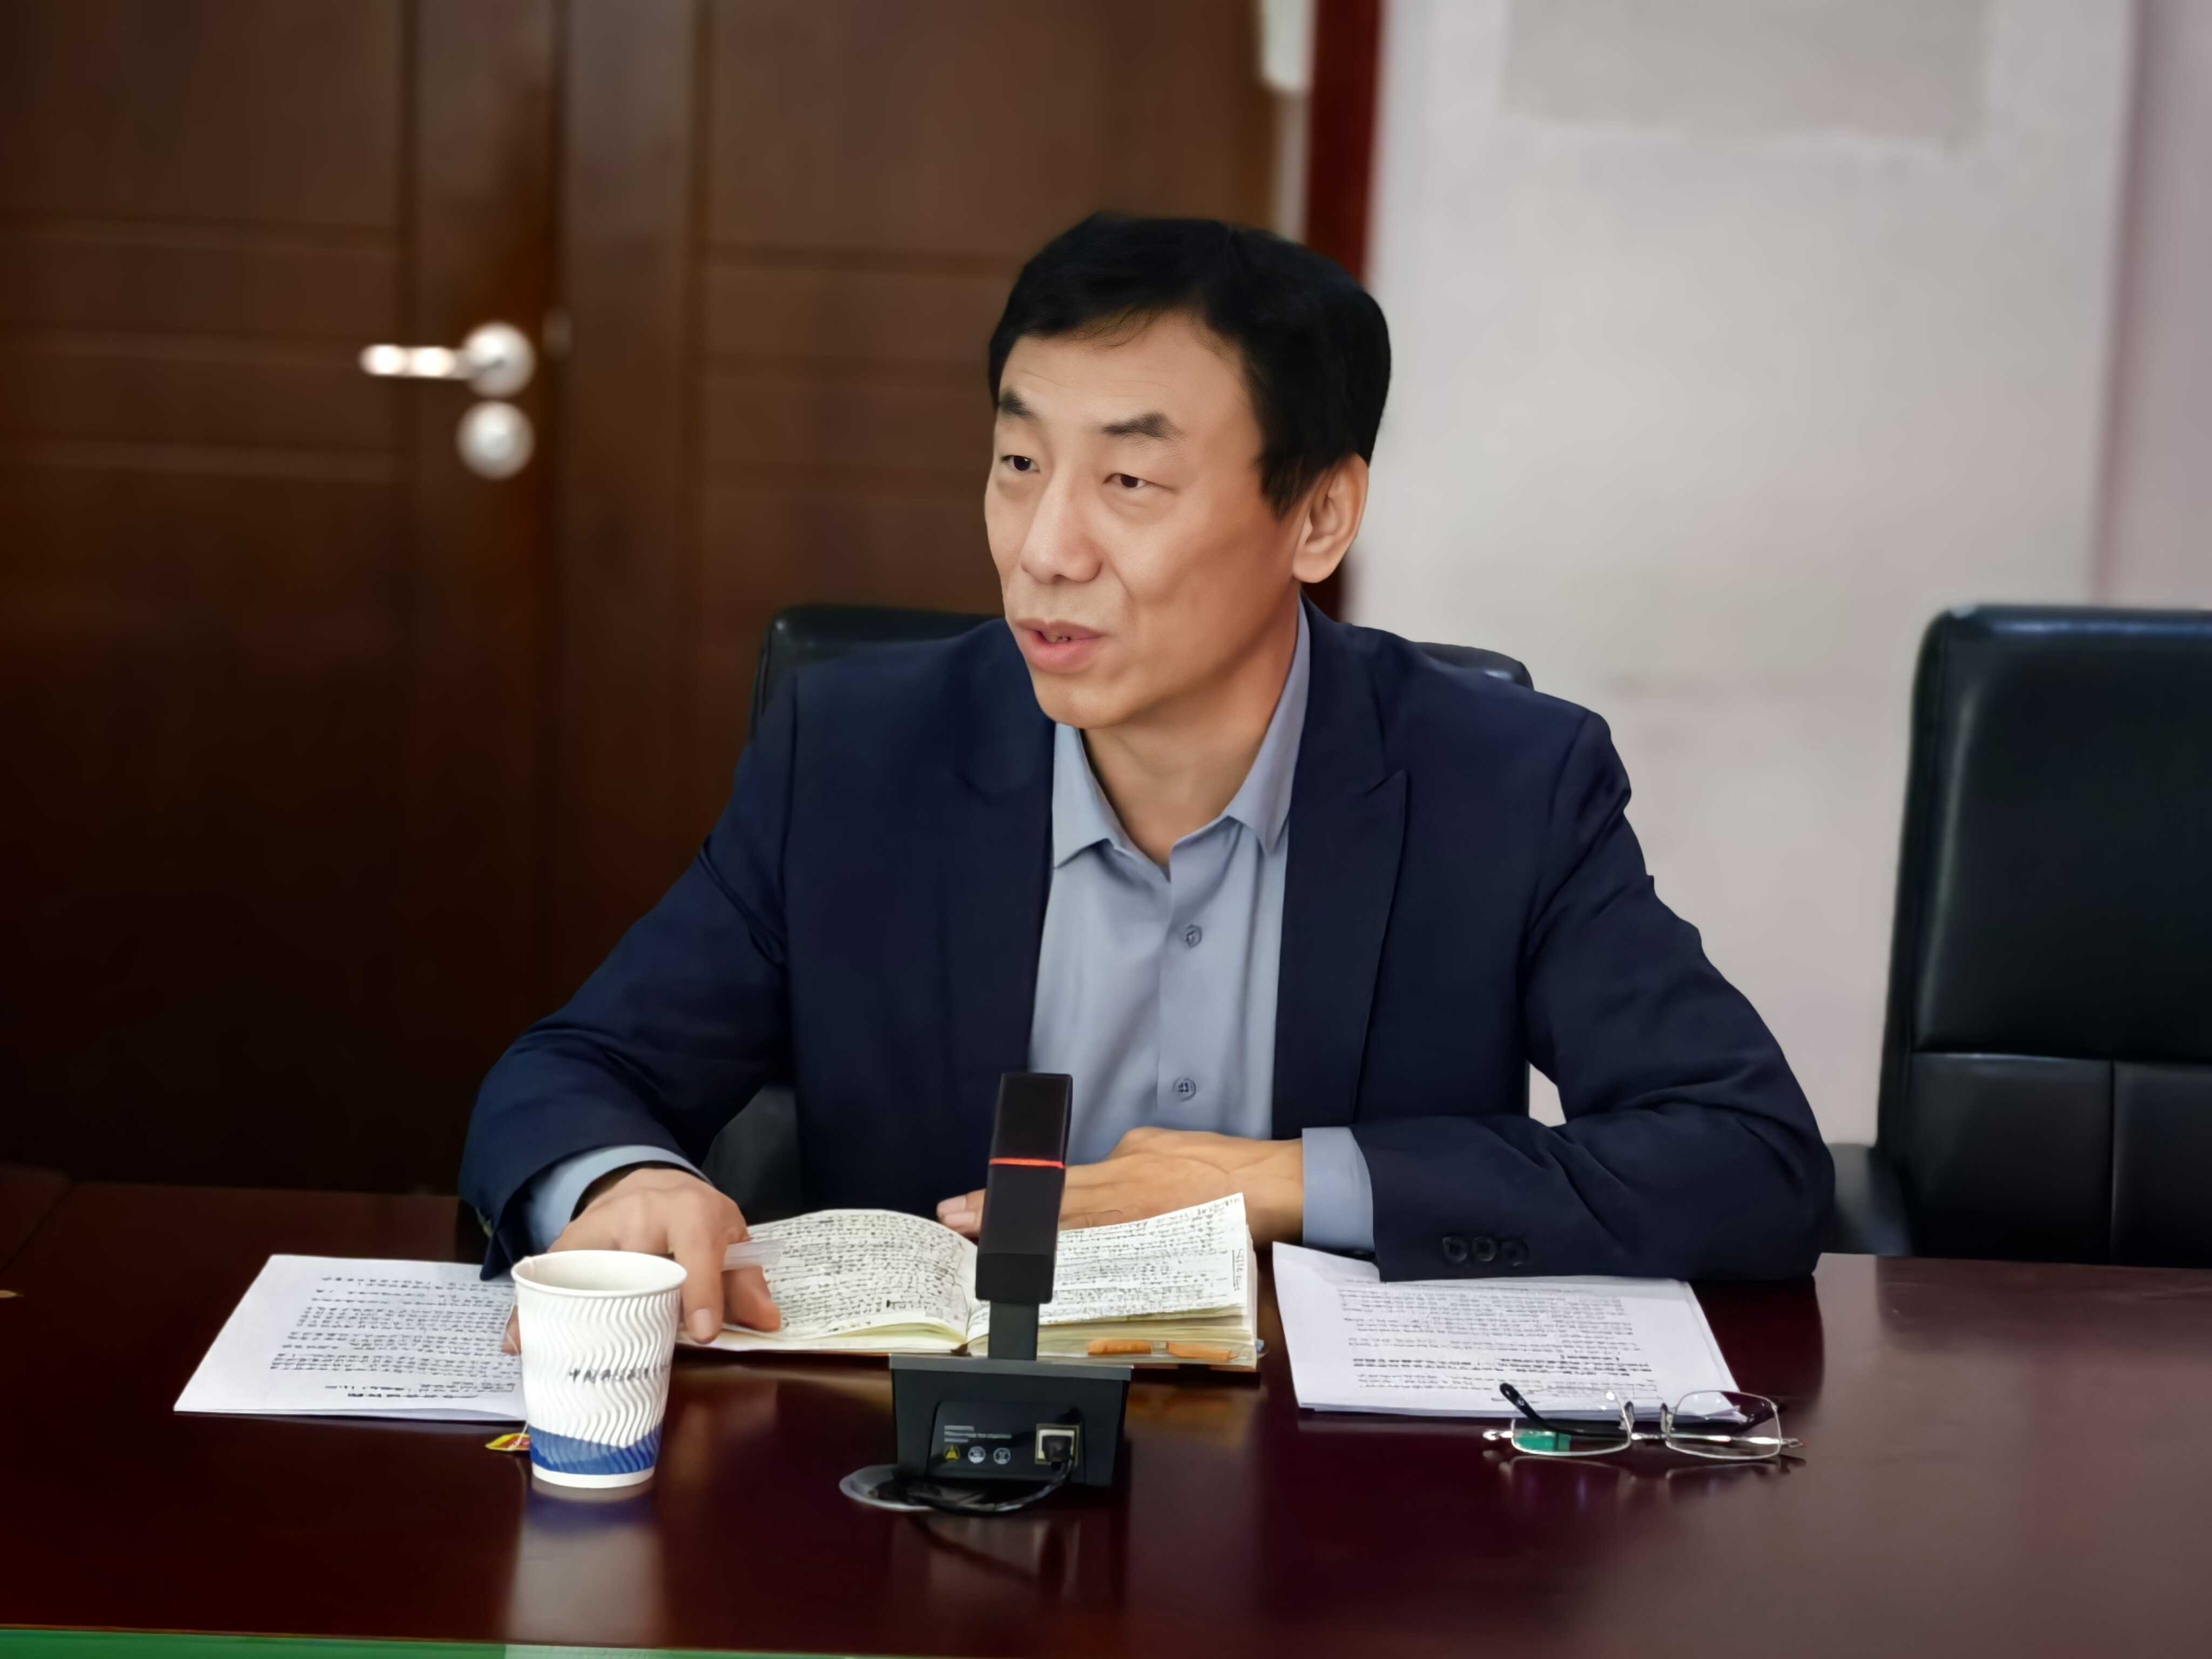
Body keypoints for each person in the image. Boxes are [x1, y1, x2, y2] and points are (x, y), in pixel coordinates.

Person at [461, 214, 1832, 1346]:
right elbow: (574, 1070)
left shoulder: (1501, 784)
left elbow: (1748, 1160)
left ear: (1317, 516)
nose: (1044, 549)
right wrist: (625, 1180)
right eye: (1017, 464)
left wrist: (1281, 1184)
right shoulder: (858, 757)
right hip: (918, 1489)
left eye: (1127, 480)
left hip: (1339, 1510)